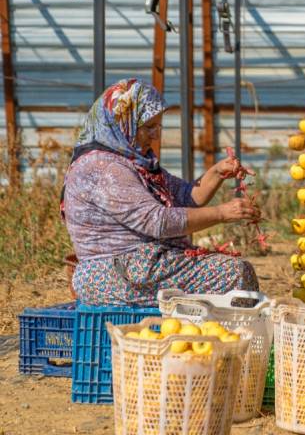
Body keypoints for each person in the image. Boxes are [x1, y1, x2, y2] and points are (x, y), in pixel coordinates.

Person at [63, 78, 261, 306]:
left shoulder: (134, 162)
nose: (156, 135)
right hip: (117, 273)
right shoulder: (103, 167)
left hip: (142, 266)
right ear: (123, 123)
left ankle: (225, 336)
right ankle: (237, 338)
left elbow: (185, 197)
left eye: (158, 126)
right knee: (234, 274)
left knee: (235, 272)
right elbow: (156, 221)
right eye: (148, 127)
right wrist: (221, 213)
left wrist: (217, 173)